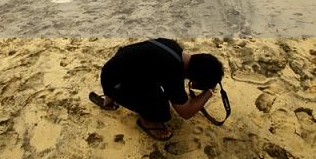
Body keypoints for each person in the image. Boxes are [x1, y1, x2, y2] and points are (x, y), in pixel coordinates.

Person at [89, 38, 224, 141]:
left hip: (112, 70)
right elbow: (185, 112)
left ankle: (110, 97)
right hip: (115, 83)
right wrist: (208, 92)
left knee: (153, 85)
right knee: (161, 112)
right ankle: (146, 122)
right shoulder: (173, 70)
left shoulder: (173, 47)